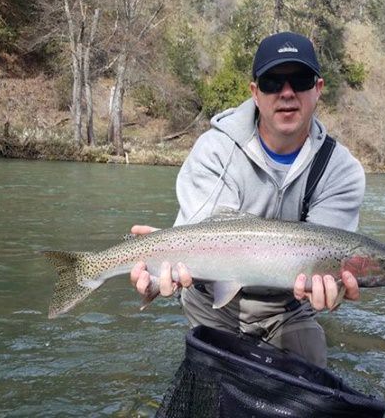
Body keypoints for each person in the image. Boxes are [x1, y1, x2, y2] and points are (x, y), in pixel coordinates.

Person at [130, 31, 365, 367]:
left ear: (318, 89)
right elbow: (201, 239)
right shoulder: (215, 150)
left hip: (288, 308)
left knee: (309, 376)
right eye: (272, 82)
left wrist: (332, 290)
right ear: (255, 93)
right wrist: (154, 275)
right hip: (212, 300)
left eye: (299, 80)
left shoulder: (341, 171)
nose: (286, 93)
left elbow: (326, 259)